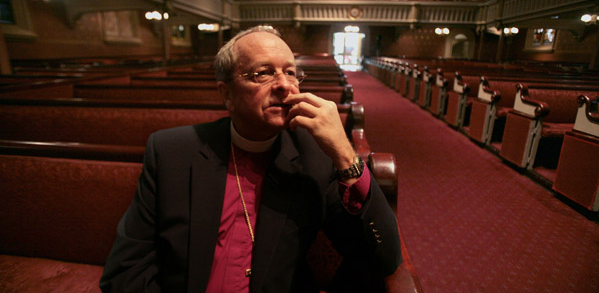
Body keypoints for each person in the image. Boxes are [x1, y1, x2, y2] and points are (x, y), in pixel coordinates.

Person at [100, 25, 401, 293]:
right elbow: (126, 270)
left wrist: (344, 154)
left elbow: (382, 258)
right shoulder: (171, 151)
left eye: (291, 72)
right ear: (227, 94)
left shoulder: (316, 158)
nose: (284, 85)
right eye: (263, 73)